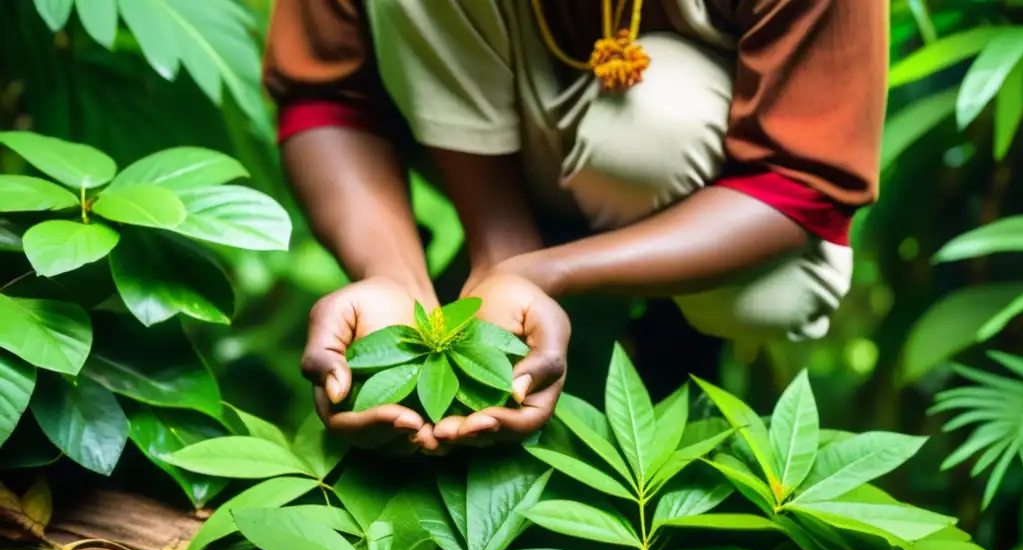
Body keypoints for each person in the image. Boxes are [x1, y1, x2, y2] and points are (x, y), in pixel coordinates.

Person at [263, 0, 886, 452]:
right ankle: (493, 256)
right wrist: (394, 280)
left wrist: (542, 273)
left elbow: (802, 177)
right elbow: (325, 93)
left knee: (656, 131)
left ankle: (654, 326)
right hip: (507, 140)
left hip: (687, 159)